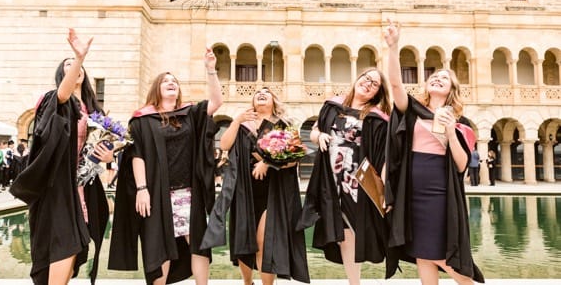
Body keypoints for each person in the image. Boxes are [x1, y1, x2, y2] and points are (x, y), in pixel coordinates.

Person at [383, 19, 484, 284]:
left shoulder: (460, 125)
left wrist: (450, 132)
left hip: (439, 191)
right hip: (411, 189)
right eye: (434, 76)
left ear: (452, 90)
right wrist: (393, 47)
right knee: (422, 254)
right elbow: (394, 85)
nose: (438, 79)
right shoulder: (414, 111)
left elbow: (461, 166)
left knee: (440, 253)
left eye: (444, 78)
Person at [109, 48, 222, 285]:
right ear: (157, 89)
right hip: (157, 193)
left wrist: (211, 70)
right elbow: (136, 155)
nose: (171, 83)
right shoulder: (142, 119)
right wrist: (142, 189)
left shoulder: (190, 113)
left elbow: (216, 102)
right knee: (159, 244)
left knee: (198, 244)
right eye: (166, 81)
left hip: (188, 191)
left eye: (174, 82)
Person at [10, 28, 113, 285]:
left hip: (80, 186)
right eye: (67, 65)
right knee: (65, 243)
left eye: (76, 65)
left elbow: (91, 150)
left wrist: (106, 155)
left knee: (76, 245)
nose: (73, 68)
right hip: (57, 185)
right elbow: (63, 96)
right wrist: (79, 57)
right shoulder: (55, 99)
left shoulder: (91, 111)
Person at [202, 87, 310, 285]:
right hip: (244, 189)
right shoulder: (243, 125)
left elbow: (294, 158)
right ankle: (247, 283)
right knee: (244, 242)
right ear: (252, 101)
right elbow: (225, 145)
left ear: (273, 101)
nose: (261, 93)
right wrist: (237, 120)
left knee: (264, 242)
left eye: (266, 92)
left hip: (273, 191)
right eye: (258, 92)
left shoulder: (283, 126)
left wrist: (267, 162)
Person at [297, 68, 391, 284]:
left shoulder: (377, 118)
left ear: (377, 92)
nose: (367, 84)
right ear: (357, 79)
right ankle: (354, 281)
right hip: (331, 180)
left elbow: (384, 156)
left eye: (374, 84)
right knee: (344, 231)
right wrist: (319, 135)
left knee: (359, 228)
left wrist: (385, 189)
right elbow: (314, 131)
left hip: (357, 182)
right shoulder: (333, 105)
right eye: (366, 78)